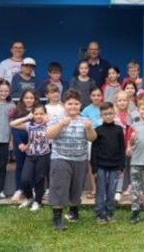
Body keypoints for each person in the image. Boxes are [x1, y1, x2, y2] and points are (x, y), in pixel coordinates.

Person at [46, 89, 97, 231]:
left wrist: (89, 128)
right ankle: (57, 218)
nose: (73, 106)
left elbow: (92, 138)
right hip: (60, 158)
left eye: (76, 103)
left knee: (76, 187)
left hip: (80, 159)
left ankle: (74, 211)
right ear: (64, 105)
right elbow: (49, 134)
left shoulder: (85, 120)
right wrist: (61, 124)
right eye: (69, 103)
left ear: (80, 104)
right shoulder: (57, 118)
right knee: (59, 188)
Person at [10, 104, 50, 211]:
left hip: (43, 156)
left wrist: (48, 119)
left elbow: (59, 126)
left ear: (45, 114)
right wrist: (27, 117)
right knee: (25, 179)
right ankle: (29, 198)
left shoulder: (49, 125)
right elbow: (12, 124)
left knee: (39, 179)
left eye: (41, 113)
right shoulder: (29, 125)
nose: (39, 116)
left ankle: (38, 201)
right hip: (30, 155)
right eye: (36, 114)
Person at [91, 102, 126, 225]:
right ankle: (100, 214)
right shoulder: (98, 130)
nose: (108, 116)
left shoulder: (118, 130)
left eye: (110, 113)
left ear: (114, 113)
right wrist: (94, 168)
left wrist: (121, 165)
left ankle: (110, 213)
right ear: (101, 115)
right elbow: (94, 150)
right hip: (101, 166)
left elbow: (122, 148)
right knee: (101, 191)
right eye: (105, 114)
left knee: (111, 191)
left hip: (115, 166)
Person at [10, 89, 37, 202]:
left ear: (35, 99)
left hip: (34, 143)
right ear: (22, 99)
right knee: (20, 167)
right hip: (20, 143)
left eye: (31, 98)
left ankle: (32, 189)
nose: (29, 100)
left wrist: (30, 143)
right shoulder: (17, 110)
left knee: (33, 167)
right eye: (26, 98)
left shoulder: (38, 110)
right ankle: (19, 189)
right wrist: (20, 143)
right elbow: (14, 128)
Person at [81, 87, 104, 199]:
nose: (96, 97)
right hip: (91, 140)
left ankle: (105, 189)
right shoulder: (86, 110)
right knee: (92, 165)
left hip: (105, 140)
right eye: (94, 95)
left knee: (104, 164)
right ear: (90, 97)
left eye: (98, 95)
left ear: (102, 96)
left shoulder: (106, 108)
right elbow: (83, 127)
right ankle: (94, 188)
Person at [114, 90, 134, 200]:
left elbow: (131, 132)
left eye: (124, 100)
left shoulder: (130, 116)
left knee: (126, 167)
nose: (122, 102)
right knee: (117, 168)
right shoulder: (113, 115)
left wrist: (129, 145)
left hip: (127, 146)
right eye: (120, 100)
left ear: (128, 102)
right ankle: (115, 189)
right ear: (116, 102)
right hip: (115, 146)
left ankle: (124, 188)